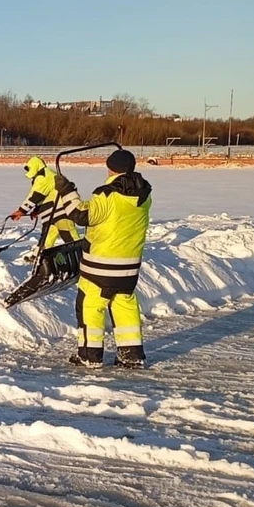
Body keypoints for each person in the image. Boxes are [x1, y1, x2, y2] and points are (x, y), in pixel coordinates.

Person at [55, 149, 152, 369]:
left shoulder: (107, 195)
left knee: (90, 305)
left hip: (100, 267)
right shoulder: (144, 195)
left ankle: (90, 355)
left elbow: (81, 215)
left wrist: (66, 190)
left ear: (111, 168)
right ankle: (132, 355)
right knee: (124, 306)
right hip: (128, 269)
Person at [10, 156, 81, 252]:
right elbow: (44, 197)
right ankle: (40, 255)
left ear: (35, 167)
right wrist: (36, 210)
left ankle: (80, 254)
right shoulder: (44, 176)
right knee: (46, 238)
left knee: (69, 236)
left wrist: (21, 211)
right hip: (51, 214)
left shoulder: (44, 176)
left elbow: (35, 196)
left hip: (61, 211)